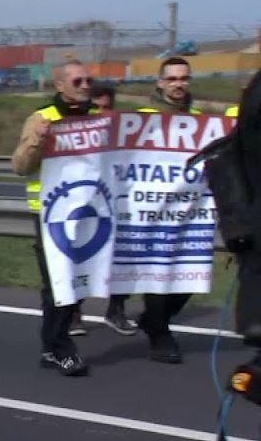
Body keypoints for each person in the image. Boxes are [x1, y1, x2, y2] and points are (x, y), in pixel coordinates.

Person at [11, 60, 98, 377]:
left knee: (76, 284)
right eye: (78, 81)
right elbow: (20, 166)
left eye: (89, 80)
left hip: (90, 215)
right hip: (52, 216)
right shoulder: (42, 118)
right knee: (59, 284)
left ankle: (50, 347)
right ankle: (61, 349)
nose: (86, 85)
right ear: (59, 85)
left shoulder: (98, 120)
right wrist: (38, 141)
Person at [132, 57, 202, 364]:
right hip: (151, 209)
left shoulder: (200, 120)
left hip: (190, 210)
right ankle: (160, 335)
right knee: (158, 272)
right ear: (160, 82)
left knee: (190, 274)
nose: (178, 84)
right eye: (172, 78)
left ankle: (152, 319)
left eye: (183, 78)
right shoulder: (143, 118)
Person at [68, 84, 138, 338]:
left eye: (106, 108)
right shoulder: (74, 132)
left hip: (116, 204)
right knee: (83, 257)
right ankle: (74, 312)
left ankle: (116, 311)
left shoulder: (121, 134)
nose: (101, 113)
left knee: (120, 259)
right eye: (96, 107)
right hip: (85, 203)